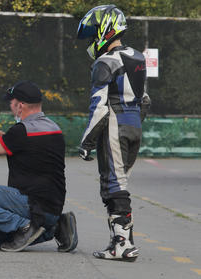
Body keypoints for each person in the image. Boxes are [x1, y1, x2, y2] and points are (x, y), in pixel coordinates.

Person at [0, 81, 78, 252]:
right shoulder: (54, 128)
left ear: (20, 105)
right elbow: (24, 145)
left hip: (32, 204)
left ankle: (25, 226)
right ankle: (57, 226)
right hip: (52, 208)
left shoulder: (21, 131)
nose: (10, 106)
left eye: (11, 102)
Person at [76, 5, 151, 261]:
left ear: (105, 30)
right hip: (135, 125)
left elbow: (98, 107)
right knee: (119, 184)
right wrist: (134, 121)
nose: (90, 40)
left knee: (114, 187)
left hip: (115, 125)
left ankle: (122, 245)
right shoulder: (138, 57)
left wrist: (86, 141)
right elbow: (146, 100)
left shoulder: (104, 62)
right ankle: (123, 242)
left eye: (92, 33)